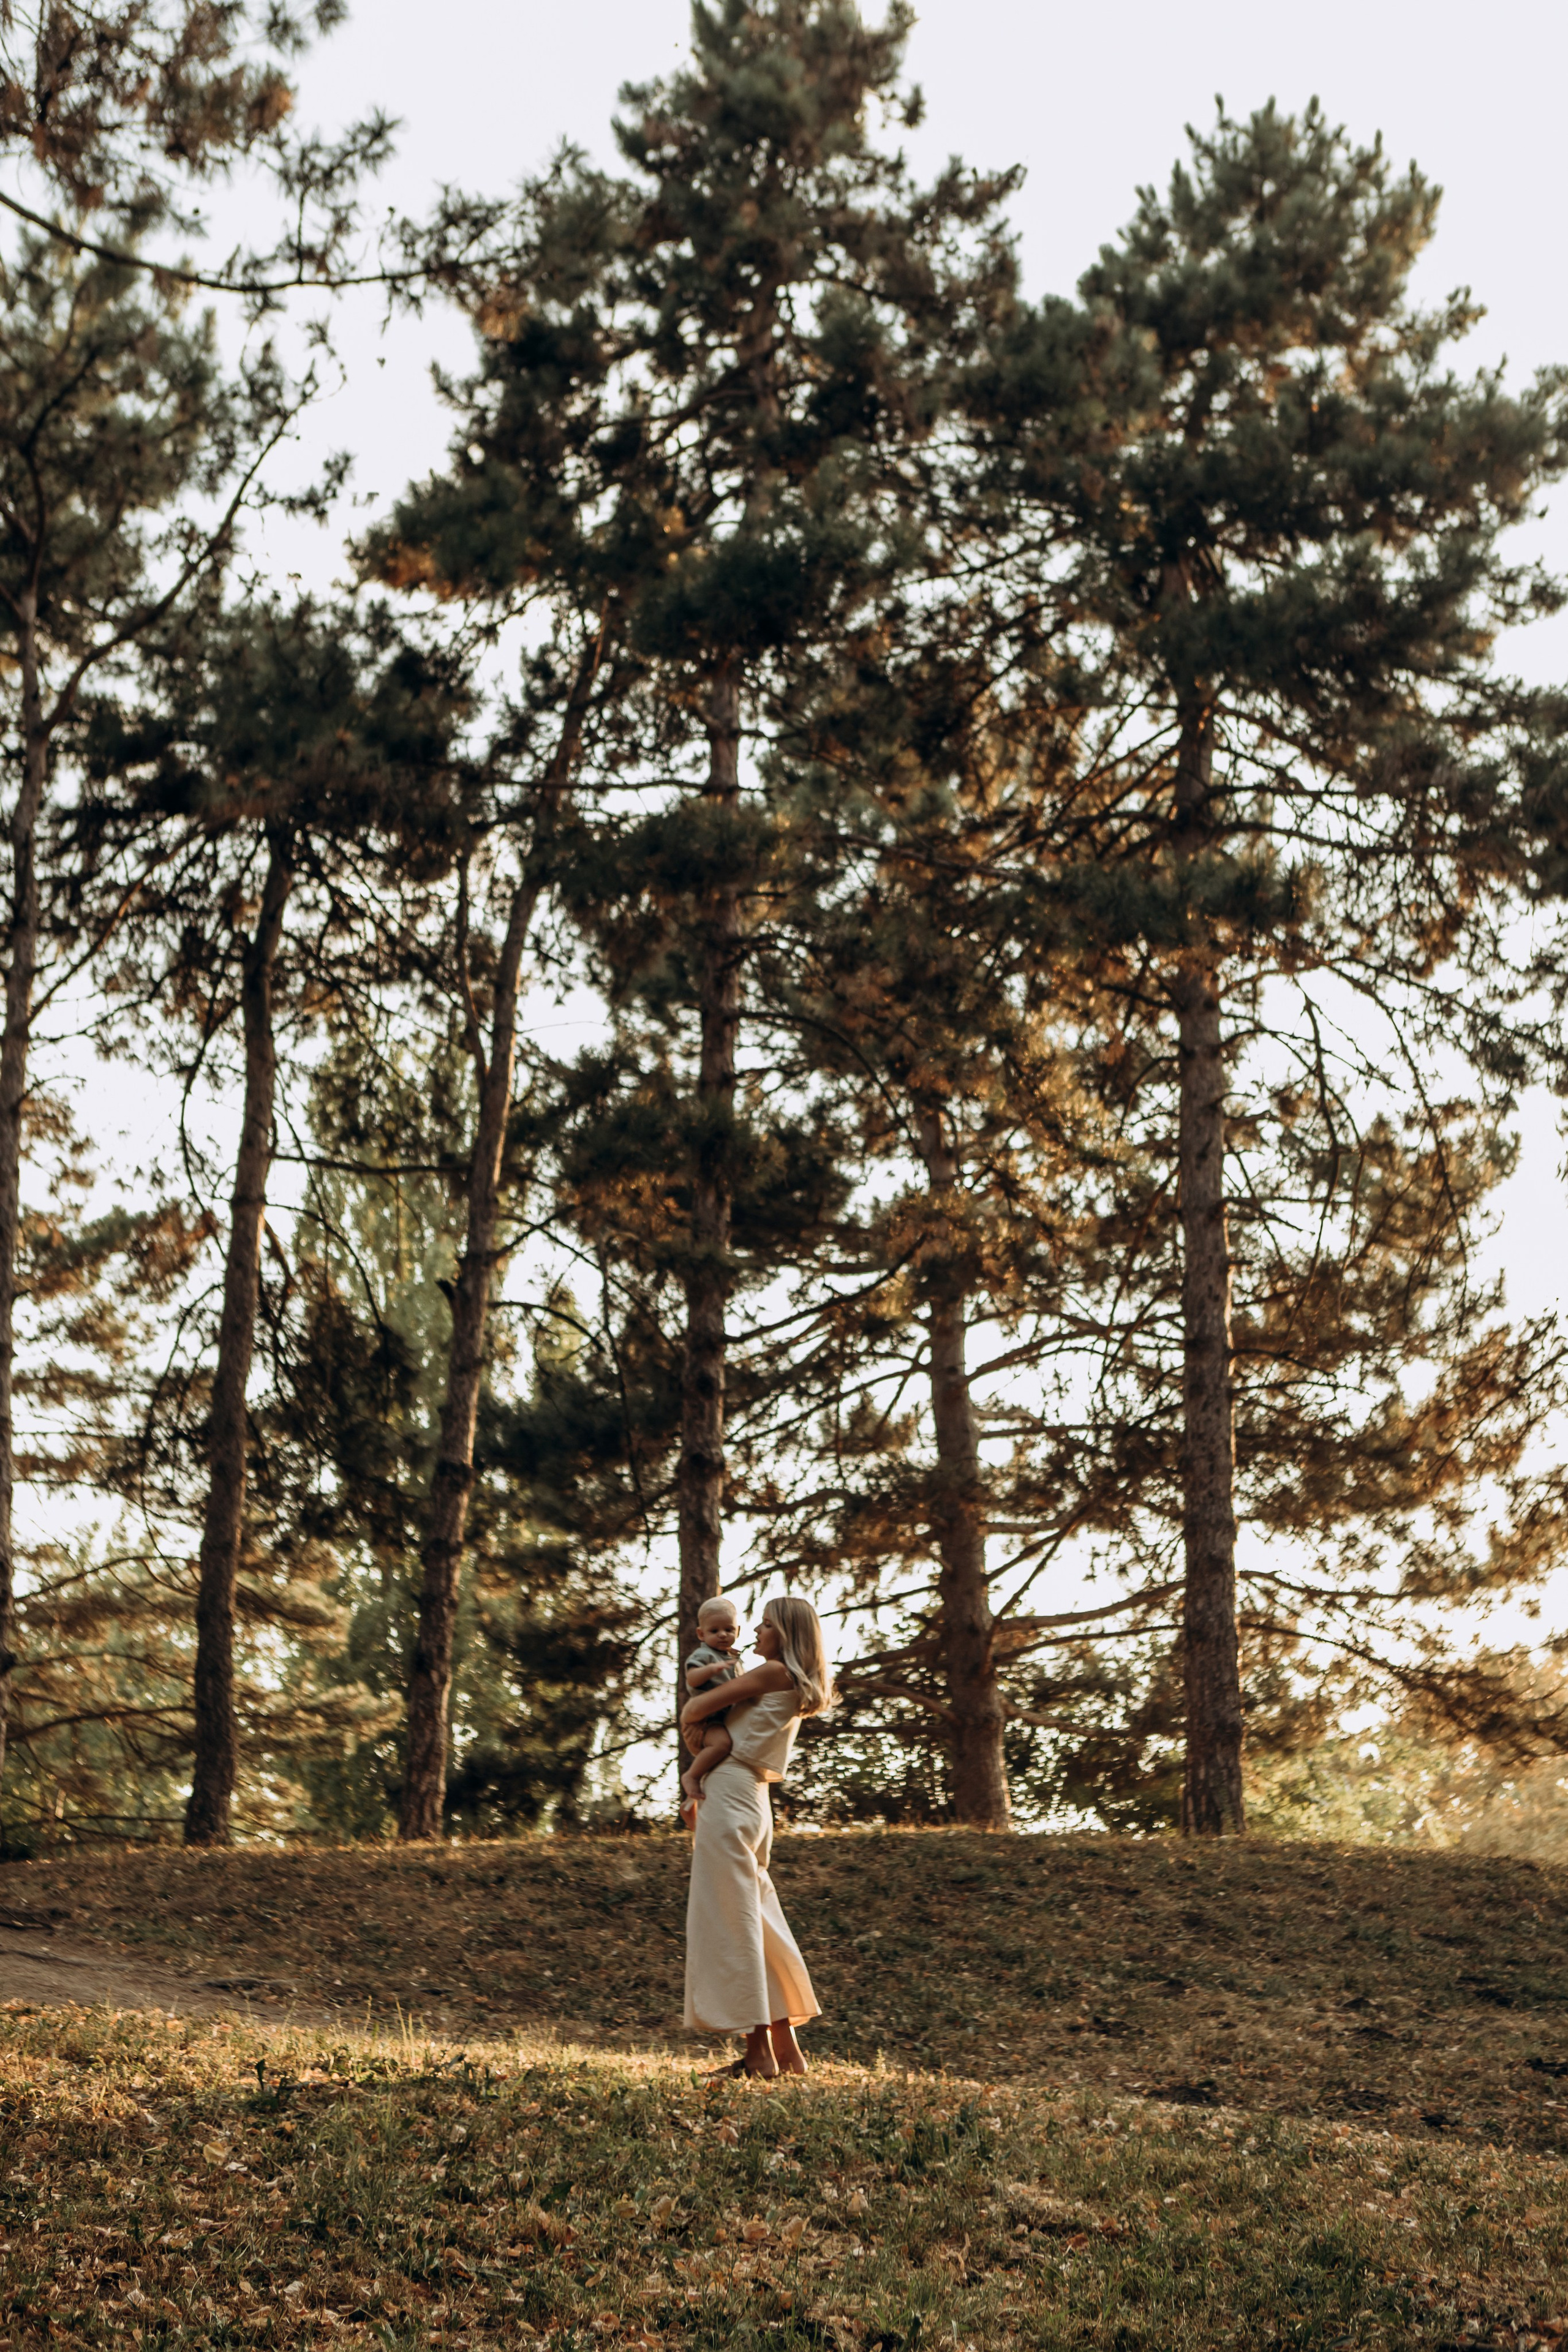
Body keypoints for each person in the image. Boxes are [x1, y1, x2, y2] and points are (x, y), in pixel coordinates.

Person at [679, 1593, 834, 2079]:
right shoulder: (786, 1680)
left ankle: (758, 2056)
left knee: (733, 1921)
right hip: (750, 1798)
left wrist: (696, 1726)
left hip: (732, 1792)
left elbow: (697, 1706)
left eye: (765, 1625)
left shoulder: (770, 1674)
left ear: (785, 1633)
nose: (756, 1633)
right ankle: (785, 2052)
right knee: (757, 1920)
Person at [680, 1594, 743, 1823]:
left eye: (728, 1629)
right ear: (701, 1634)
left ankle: (697, 1802)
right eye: (714, 1631)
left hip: (726, 1718)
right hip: (707, 1720)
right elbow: (693, 1678)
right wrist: (711, 1670)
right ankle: (692, 1776)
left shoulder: (735, 1658)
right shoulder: (704, 1655)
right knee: (722, 1744)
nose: (723, 1635)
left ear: (738, 1631)